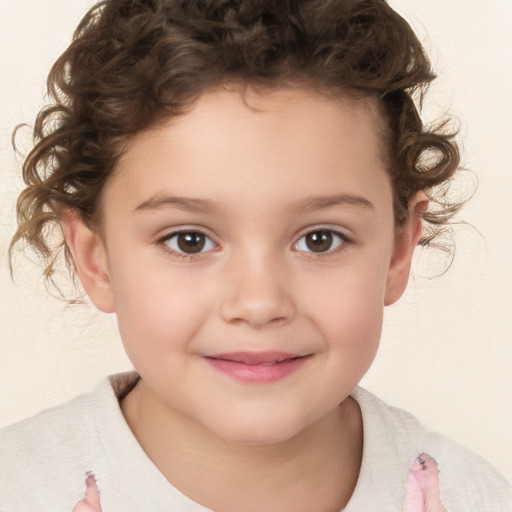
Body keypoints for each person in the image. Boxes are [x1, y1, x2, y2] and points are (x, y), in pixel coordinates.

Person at [1, 0, 510, 510]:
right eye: (189, 240)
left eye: (320, 239)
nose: (260, 302)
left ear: (399, 251)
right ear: (96, 259)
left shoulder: (476, 499)